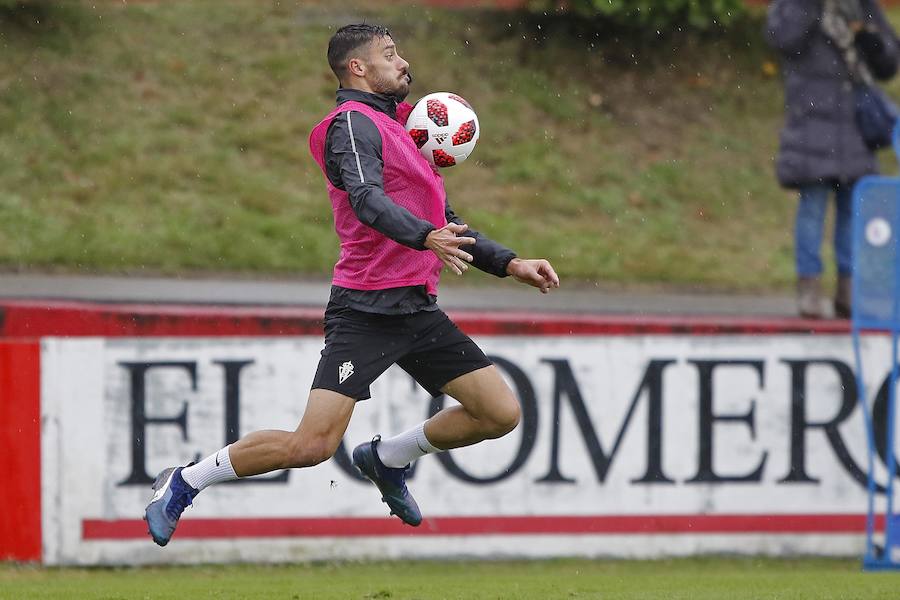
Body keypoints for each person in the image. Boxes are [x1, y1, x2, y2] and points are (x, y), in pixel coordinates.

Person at [144, 23, 560, 546]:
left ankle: (387, 458)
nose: (403, 62)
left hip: (416, 308)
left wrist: (511, 263)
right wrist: (425, 235)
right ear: (358, 68)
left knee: (499, 412)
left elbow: (447, 225)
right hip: (365, 311)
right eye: (390, 55)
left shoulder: (404, 129)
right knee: (311, 445)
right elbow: (366, 199)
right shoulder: (351, 125)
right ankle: (183, 482)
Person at [766, 0, 899, 319]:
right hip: (813, 125)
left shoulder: (860, 5)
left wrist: (875, 45)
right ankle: (809, 288)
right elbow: (781, 38)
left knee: (852, 213)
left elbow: (890, 62)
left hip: (853, 130)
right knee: (812, 209)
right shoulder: (796, 5)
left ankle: (848, 290)